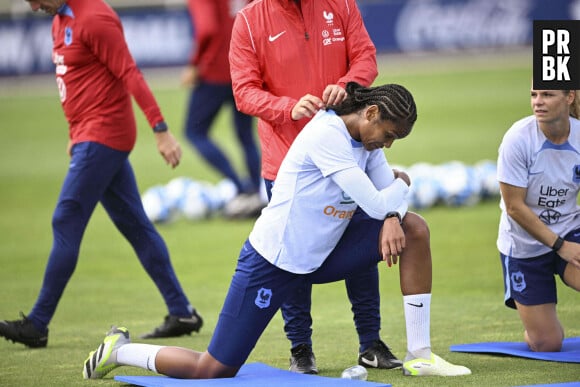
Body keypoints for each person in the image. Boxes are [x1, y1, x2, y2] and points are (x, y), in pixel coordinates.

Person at [83, 82, 472, 380]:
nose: (387, 145)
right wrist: (403, 185)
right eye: (389, 134)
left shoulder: (367, 147)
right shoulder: (328, 135)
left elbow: (386, 203)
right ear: (370, 113)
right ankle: (120, 350)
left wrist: (392, 212)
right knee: (212, 370)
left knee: (414, 228)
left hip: (324, 255)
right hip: (273, 262)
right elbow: (380, 199)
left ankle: (419, 353)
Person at [0, 0, 203, 348]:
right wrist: (73, 132)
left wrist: (161, 128)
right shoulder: (59, 18)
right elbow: (76, 82)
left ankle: (38, 323)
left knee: (66, 219)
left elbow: (129, 74)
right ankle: (182, 311)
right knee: (136, 226)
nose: (33, 6)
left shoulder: (95, 18)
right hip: (89, 136)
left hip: (104, 135)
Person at [229, 0, 400, 373]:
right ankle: (300, 348)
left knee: (363, 247)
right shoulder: (248, 20)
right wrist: (286, 107)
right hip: (287, 165)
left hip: (344, 155)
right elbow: (243, 91)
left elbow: (365, 58)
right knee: (292, 257)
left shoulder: (340, 4)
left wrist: (345, 87)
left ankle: (370, 343)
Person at [497, 87, 580, 352]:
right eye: (534, 95)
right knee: (547, 343)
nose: (538, 102)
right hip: (523, 245)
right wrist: (560, 246)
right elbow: (514, 208)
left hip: (570, 229)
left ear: (570, 97)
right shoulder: (517, 139)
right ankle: (535, 326)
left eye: (547, 94)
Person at [182, 0, 264, 219]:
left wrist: (195, 64)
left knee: (194, 132)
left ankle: (241, 186)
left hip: (215, 70)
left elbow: (206, 28)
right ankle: (256, 192)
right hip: (245, 68)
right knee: (245, 135)